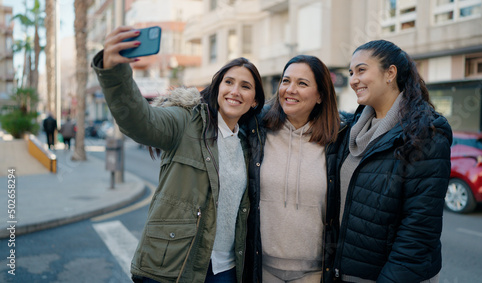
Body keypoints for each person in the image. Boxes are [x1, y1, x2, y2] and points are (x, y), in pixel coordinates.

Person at [91, 26, 265, 283]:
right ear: (217, 88)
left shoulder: (248, 145)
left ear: (254, 102)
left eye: (245, 86)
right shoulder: (186, 121)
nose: (234, 91)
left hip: (226, 269)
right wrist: (115, 72)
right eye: (228, 82)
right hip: (174, 266)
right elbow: (140, 121)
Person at [330, 40, 452, 282]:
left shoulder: (426, 132)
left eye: (362, 70)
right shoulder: (353, 130)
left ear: (390, 73)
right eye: (351, 72)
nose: (353, 79)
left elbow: (418, 231)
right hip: (346, 274)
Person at [244, 55, 341, 282]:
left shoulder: (339, 138)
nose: (290, 89)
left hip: (314, 270)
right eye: (286, 81)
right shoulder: (256, 129)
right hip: (263, 266)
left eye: (302, 83)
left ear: (320, 96)